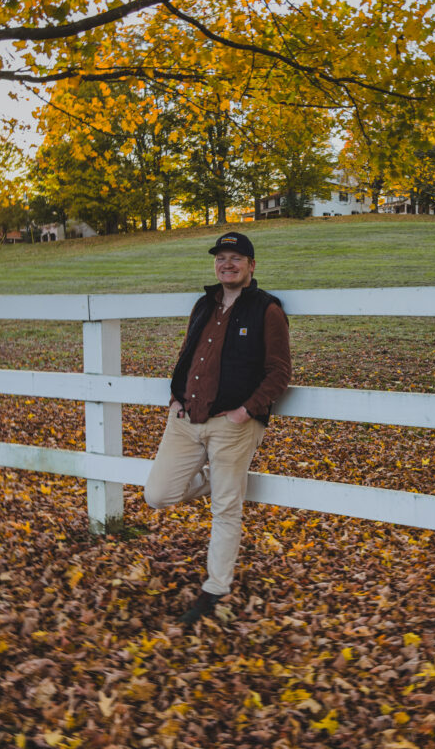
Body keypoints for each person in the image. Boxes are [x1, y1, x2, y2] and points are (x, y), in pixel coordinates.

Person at [144, 232, 291, 625]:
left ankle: (215, 588)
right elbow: (187, 356)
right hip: (186, 419)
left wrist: (246, 411)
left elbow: (280, 372)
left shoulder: (266, 309)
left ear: (251, 266)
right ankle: (222, 476)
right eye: (221, 258)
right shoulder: (203, 305)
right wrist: (175, 397)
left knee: (227, 509)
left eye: (236, 258)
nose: (227, 264)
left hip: (233, 425)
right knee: (157, 494)